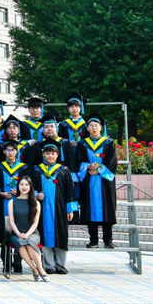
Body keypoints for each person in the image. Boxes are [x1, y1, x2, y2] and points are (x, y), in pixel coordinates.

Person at [31, 138, 78, 274]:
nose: (50, 156)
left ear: (57, 155)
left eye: (53, 153)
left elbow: (70, 191)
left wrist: (70, 210)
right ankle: (48, 265)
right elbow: (31, 188)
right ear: (43, 154)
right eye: (47, 153)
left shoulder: (63, 170)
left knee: (61, 234)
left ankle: (60, 264)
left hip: (60, 209)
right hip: (42, 209)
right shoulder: (36, 170)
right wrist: (36, 195)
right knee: (44, 235)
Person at [75, 114, 118, 248]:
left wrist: (98, 169)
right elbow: (78, 161)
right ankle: (93, 240)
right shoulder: (82, 144)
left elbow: (112, 162)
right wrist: (88, 167)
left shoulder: (109, 142)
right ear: (87, 128)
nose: (94, 128)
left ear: (101, 128)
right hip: (89, 180)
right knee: (89, 208)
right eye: (91, 125)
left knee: (107, 208)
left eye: (96, 125)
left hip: (105, 182)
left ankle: (108, 240)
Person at [0, 139, 30, 272]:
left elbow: (29, 184)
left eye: (12, 150)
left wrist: (19, 192)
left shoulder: (24, 168)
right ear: (4, 152)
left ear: (16, 151)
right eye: (7, 150)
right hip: (2, 204)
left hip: (19, 203)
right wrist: (0, 193)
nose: (10, 152)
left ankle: (18, 262)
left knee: (18, 231)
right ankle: (6, 263)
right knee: (5, 233)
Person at [8, 176, 49, 282]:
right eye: (21, 184)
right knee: (21, 243)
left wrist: (27, 234)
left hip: (33, 233)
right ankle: (34, 269)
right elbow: (12, 221)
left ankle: (41, 270)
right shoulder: (12, 202)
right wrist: (19, 233)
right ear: (18, 186)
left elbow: (35, 223)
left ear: (30, 187)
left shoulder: (36, 203)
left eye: (27, 185)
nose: (24, 187)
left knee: (29, 243)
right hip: (16, 234)